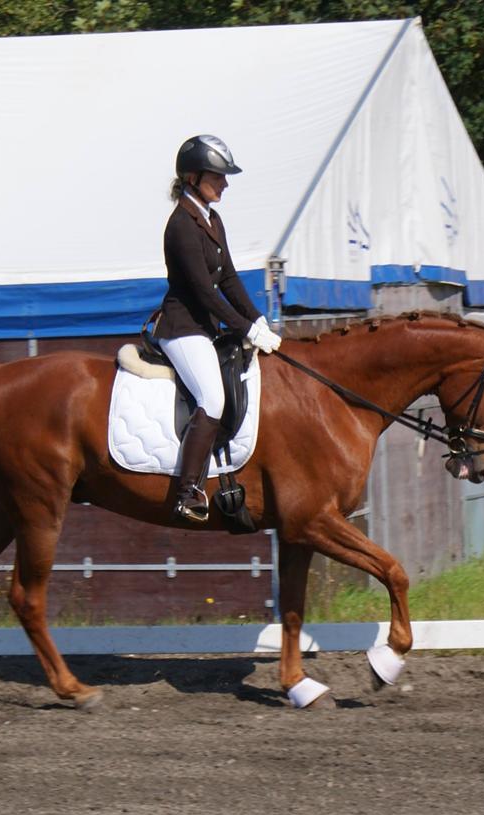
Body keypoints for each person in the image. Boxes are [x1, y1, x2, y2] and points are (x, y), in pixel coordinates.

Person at [153, 134, 281, 523]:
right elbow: (203, 294)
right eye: (218, 176)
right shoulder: (180, 226)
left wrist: (258, 320)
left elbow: (228, 280)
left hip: (204, 327)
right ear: (193, 178)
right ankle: (188, 490)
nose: (225, 183)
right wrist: (245, 328)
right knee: (212, 396)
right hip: (182, 328)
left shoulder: (211, 219)